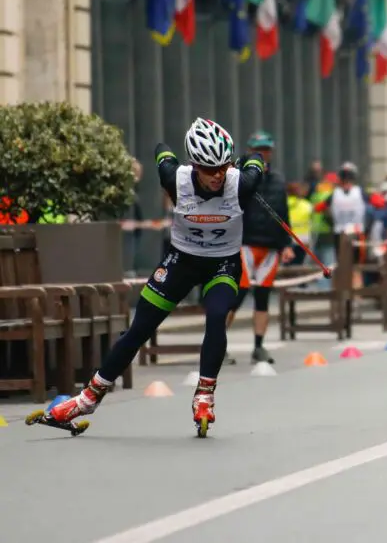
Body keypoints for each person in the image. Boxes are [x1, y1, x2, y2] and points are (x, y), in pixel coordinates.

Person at [29, 117, 264, 436]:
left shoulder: (243, 183)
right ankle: (87, 399)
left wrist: (246, 160)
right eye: (209, 169)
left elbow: (257, 161)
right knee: (140, 328)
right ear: (194, 164)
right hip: (182, 260)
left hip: (222, 262)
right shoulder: (174, 177)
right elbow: (161, 150)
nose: (218, 176)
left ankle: (204, 395)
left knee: (218, 315)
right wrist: (178, 160)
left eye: (222, 167)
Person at [225, 131, 294, 365]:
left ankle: (258, 346)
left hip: (270, 247)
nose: (263, 154)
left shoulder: (278, 180)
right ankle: (217, 345)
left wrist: (287, 243)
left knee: (263, 298)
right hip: (245, 244)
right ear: (250, 151)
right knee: (237, 295)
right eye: (258, 150)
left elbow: (284, 213)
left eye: (266, 150)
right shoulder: (241, 177)